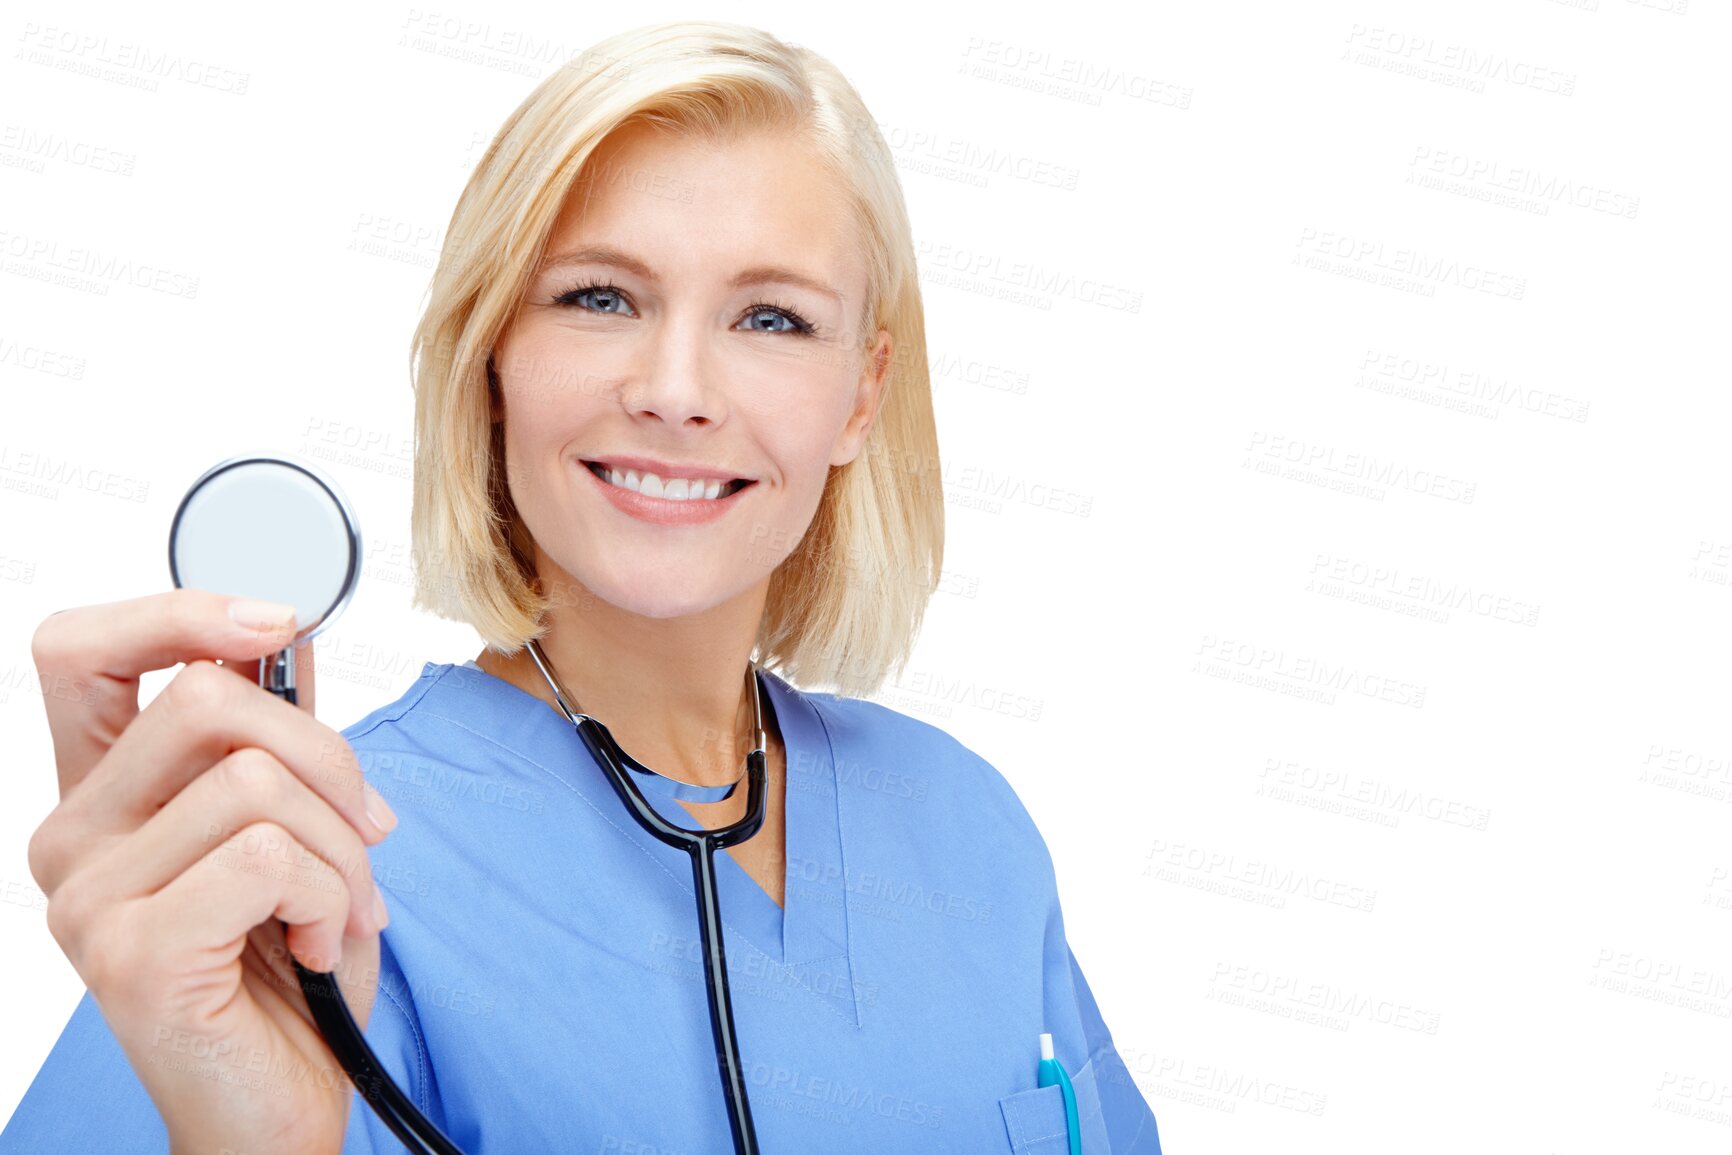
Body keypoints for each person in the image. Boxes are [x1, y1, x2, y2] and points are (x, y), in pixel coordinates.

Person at [2, 20, 1162, 1154]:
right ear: (492, 355)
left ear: (861, 397)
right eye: (599, 298)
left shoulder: (967, 830)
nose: (675, 389)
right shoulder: (287, 874)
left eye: (771, 317)